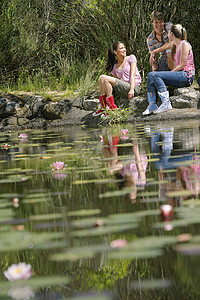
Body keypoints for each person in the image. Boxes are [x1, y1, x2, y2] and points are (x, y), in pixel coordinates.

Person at [143, 24, 195, 115]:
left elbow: (182, 65)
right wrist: (154, 52)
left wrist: (170, 74)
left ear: (171, 34)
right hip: (180, 75)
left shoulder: (184, 44)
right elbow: (166, 46)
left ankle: (166, 102)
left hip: (186, 76)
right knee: (151, 75)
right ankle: (152, 104)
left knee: (155, 75)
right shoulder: (175, 45)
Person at [92, 41, 141, 118]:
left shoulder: (131, 58)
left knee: (104, 78)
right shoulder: (114, 66)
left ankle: (111, 107)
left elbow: (133, 74)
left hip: (134, 87)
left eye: (124, 47)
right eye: (121, 48)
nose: (124, 49)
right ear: (115, 52)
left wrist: (131, 90)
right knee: (102, 78)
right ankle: (103, 106)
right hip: (123, 89)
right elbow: (116, 82)